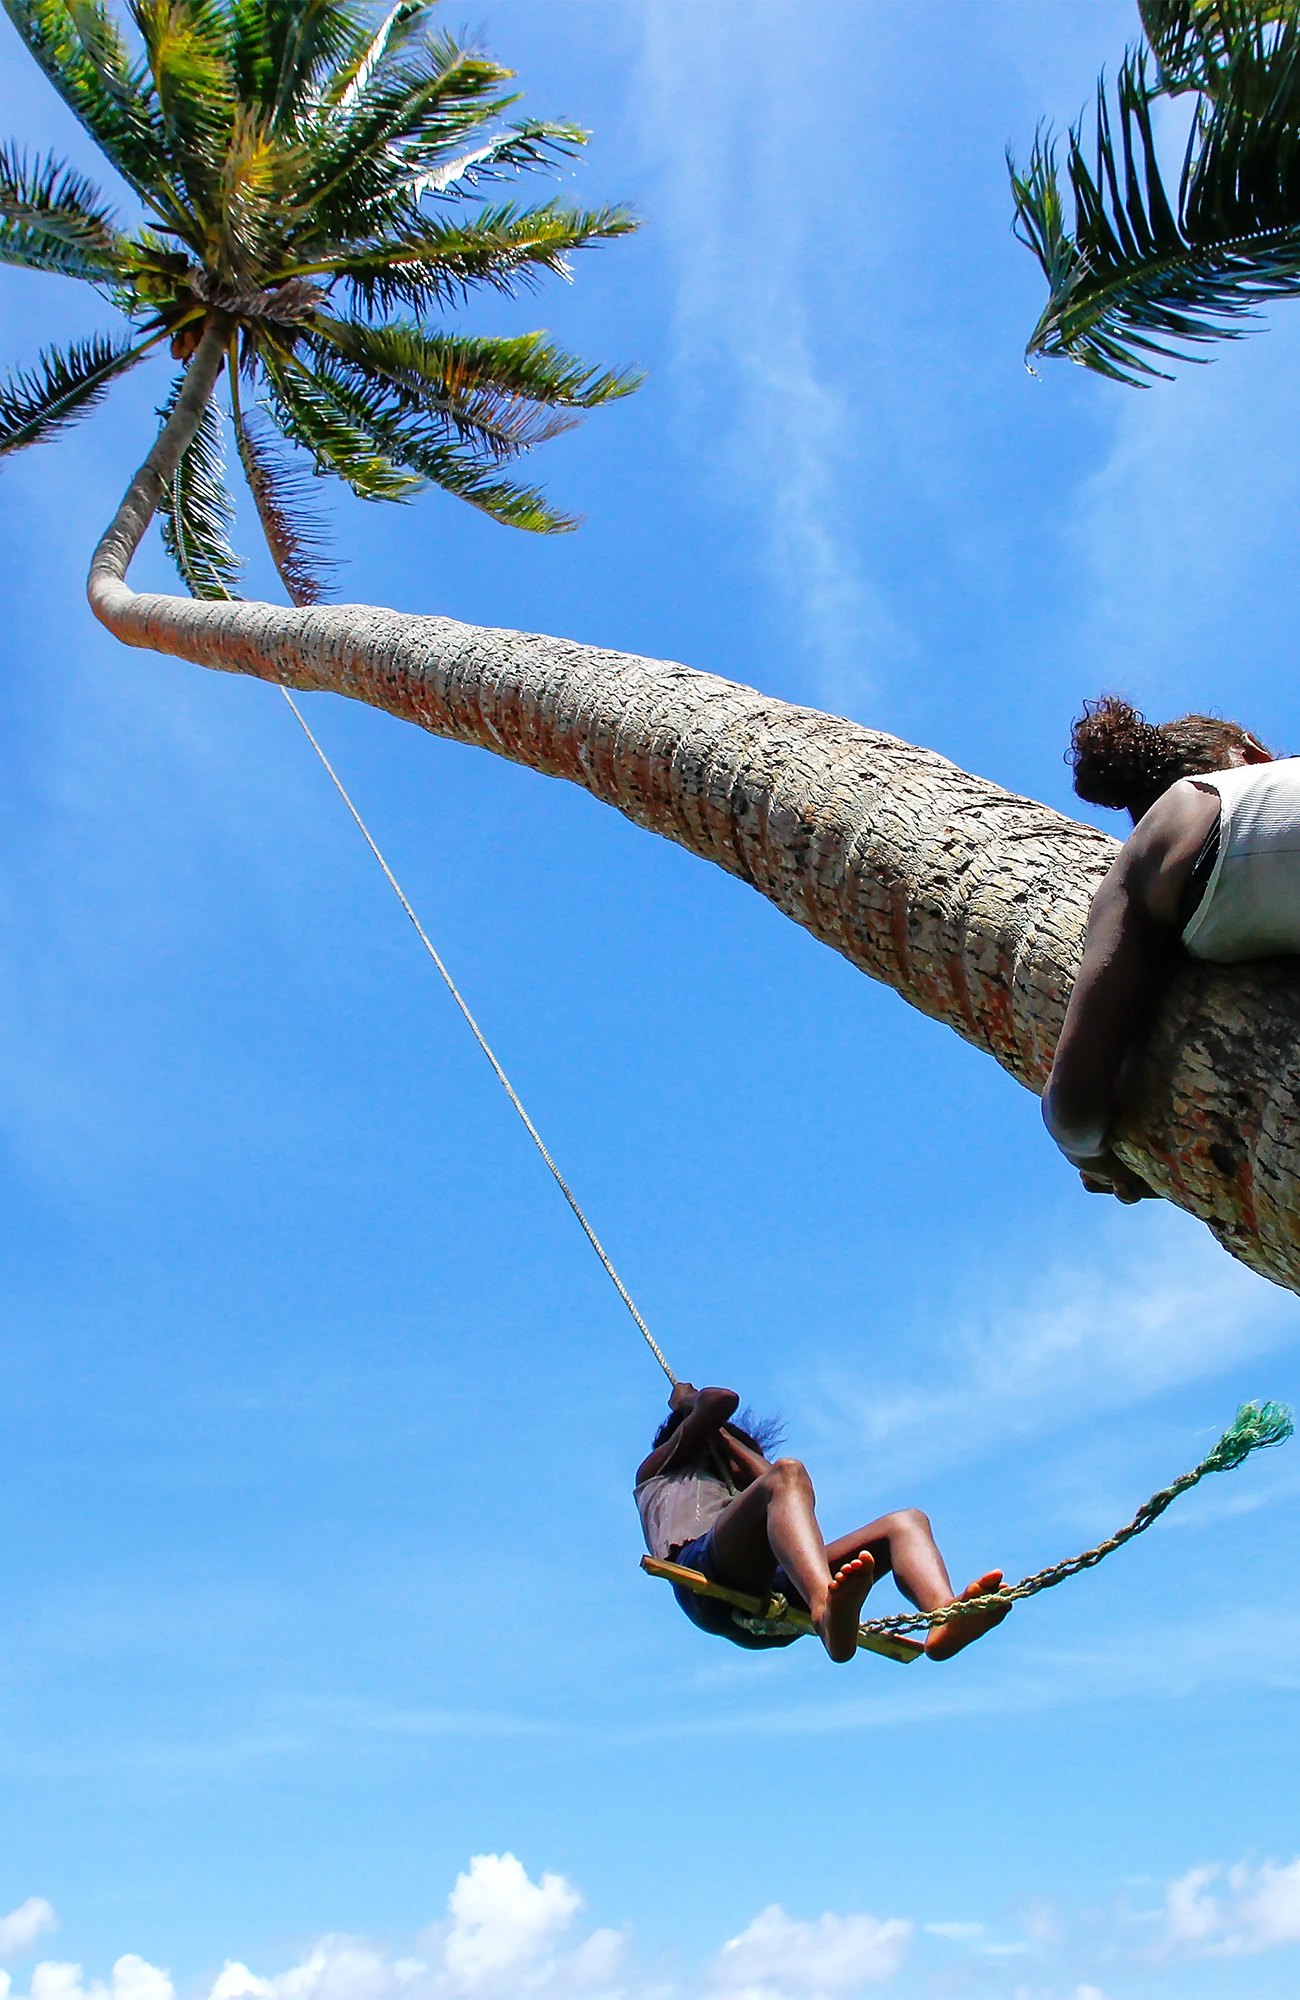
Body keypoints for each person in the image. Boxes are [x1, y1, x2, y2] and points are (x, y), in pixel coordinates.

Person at [1043, 695, 1288, 1202]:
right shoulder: (1228, 794)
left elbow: (1073, 1106)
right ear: (1254, 752)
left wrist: (1110, 1167)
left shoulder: (1171, 826)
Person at [635, 1382, 1009, 1663]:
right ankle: (824, 1608)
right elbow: (722, 1401)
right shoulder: (660, 1471)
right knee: (786, 1474)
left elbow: (779, 1481)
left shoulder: (757, 1493)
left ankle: (943, 1615)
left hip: (774, 1590)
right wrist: (689, 1404)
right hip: (702, 1575)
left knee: (906, 1521)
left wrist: (730, 1442)